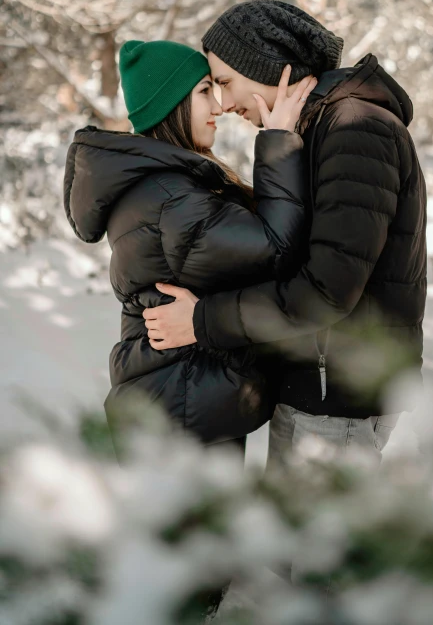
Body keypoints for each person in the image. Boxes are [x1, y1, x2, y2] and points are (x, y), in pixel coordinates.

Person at [142, 0, 428, 469]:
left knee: (316, 544)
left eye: (226, 82)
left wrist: (202, 321)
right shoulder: (321, 128)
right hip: (319, 389)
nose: (223, 104)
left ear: (270, 67)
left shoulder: (355, 128)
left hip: (336, 399)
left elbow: (327, 290)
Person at [63, 38, 318, 458]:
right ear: (172, 104)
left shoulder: (167, 187)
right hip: (179, 409)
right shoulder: (170, 196)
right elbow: (274, 249)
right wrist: (278, 141)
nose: (218, 106)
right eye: (204, 91)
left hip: (178, 397)